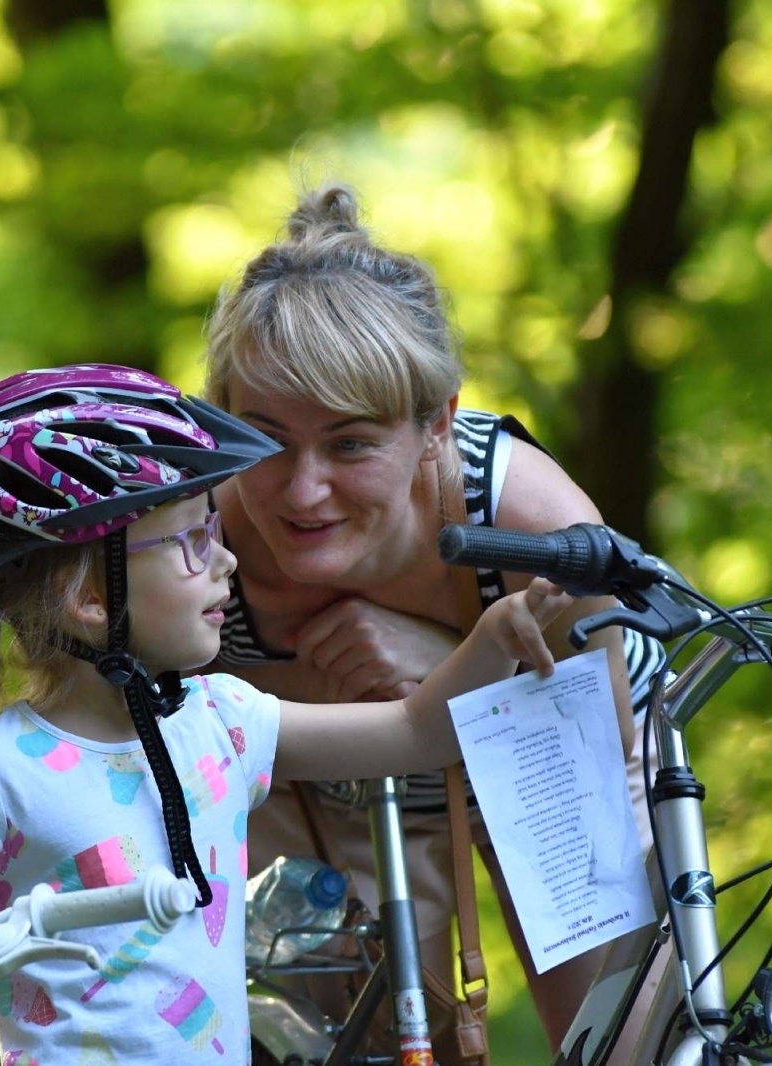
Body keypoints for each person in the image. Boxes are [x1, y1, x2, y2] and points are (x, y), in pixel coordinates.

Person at [0, 364, 573, 1066]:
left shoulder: (224, 722)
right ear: (87, 600)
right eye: (190, 543)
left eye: (213, 534)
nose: (225, 563)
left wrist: (496, 634)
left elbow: (413, 732)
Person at [204, 182, 667, 1060]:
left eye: (349, 444)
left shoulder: (524, 518)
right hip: (327, 779)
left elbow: (592, 728)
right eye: (265, 440)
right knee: (356, 1044)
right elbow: (164, 727)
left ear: (435, 426)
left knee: (622, 1038)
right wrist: (320, 686)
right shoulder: (196, 534)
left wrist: (447, 663)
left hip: (552, 750)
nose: (303, 492)